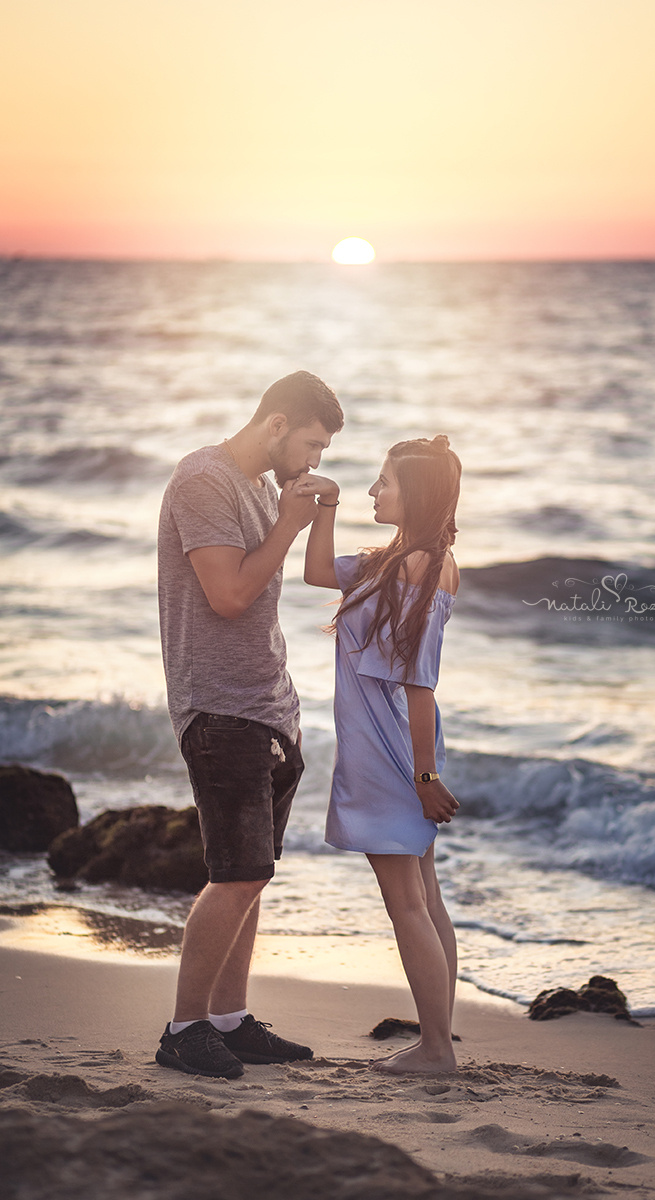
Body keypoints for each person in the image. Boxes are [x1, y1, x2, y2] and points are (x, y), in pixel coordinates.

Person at [155, 370, 344, 1079]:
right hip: (219, 707)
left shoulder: (266, 489)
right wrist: (291, 523)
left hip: (268, 707)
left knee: (253, 876)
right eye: (312, 444)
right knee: (233, 875)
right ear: (276, 424)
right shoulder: (203, 480)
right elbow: (229, 595)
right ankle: (184, 1029)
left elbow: (272, 584)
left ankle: (230, 1020)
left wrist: (305, 516)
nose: (315, 459)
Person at [301, 435, 461, 1074]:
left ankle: (437, 1049)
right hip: (390, 743)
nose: (374, 490)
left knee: (409, 904)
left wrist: (423, 775)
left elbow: (420, 682)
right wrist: (327, 506)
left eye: (385, 482)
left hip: (388, 750)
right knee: (425, 896)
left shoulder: (419, 566)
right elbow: (317, 572)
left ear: (414, 494)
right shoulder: (393, 561)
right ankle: (438, 1040)